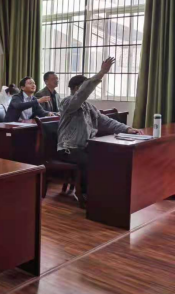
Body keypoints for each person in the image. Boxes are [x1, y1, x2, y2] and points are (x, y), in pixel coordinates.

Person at [58, 57, 142, 199]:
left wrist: (127, 129)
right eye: (86, 87)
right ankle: (85, 194)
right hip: (69, 148)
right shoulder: (67, 103)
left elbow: (105, 121)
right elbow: (82, 94)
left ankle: (108, 191)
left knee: (109, 156)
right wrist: (101, 73)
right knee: (91, 162)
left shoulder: (88, 106)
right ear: (77, 88)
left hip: (85, 145)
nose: (89, 91)